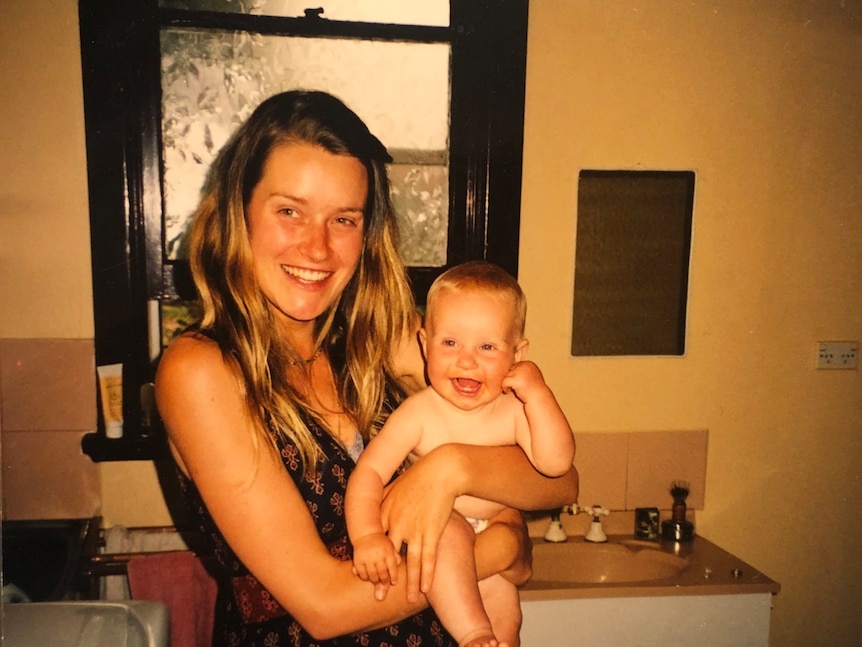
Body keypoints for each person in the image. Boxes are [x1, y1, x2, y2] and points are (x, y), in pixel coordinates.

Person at [155, 90, 579, 647]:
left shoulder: (381, 342)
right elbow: (325, 606)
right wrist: (497, 550)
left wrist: (453, 468)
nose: (317, 248)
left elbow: (560, 479)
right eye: (289, 211)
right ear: (240, 213)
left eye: (344, 219)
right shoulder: (201, 370)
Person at [346, 261, 575, 647]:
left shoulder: (515, 408)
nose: (466, 360)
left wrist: (539, 395)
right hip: (438, 529)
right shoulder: (419, 413)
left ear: (517, 353)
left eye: (486, 347)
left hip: (495, 534)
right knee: (450, 539)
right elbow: (369, 473)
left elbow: (556, 465)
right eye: (450, 343)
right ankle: (473, 635)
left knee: (508, 618)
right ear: (424, 343)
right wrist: (367, 535)